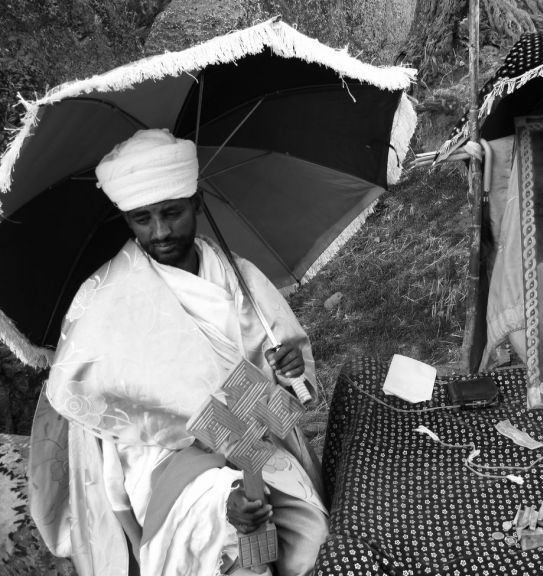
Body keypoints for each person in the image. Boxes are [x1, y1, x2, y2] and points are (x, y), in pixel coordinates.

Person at [28, 129, 328, 576]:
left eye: (171, 212)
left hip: (258, 441)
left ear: (198, 203)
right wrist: (215, 497)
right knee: (239, 556)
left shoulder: (239, 278)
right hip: (173, 467)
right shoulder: (105, 302)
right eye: (142, 219)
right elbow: (125, 440)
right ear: (126, 220)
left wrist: (290, 371)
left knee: (311, 540)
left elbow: (295, 389)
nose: (161, 231)